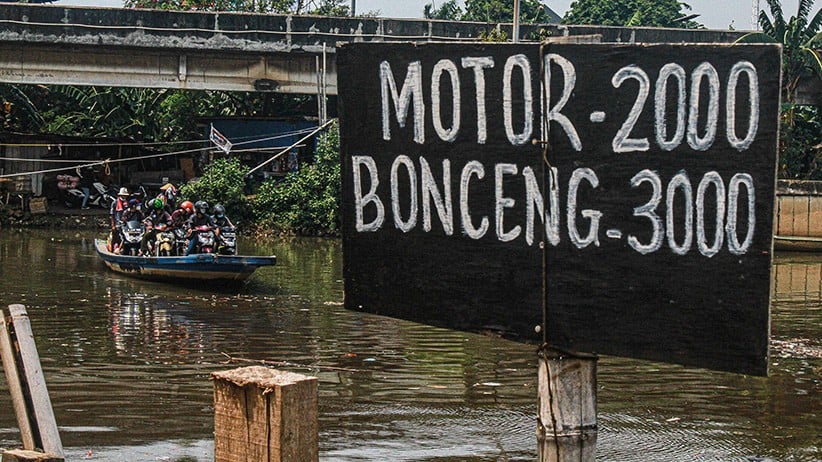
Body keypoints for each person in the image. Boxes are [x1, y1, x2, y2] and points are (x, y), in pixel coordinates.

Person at [108, 187, 130, 253]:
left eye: (125, 195)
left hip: (125, 224)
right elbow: (112, 215)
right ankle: (111, 251)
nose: (124, 196)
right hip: (117, 223)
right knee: (115, 237)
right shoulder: (115, 203)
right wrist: (113, 225)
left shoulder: (127, 203)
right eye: (123, 195)